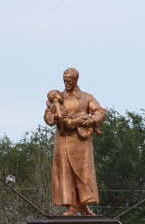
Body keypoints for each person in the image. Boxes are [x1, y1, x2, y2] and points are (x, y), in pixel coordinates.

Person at [43, 68, 106, 216]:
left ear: (76, 80)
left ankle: (84, 206)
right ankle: (71, 206)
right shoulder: (57, 98)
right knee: (65, 172)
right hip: (63, 140)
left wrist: (90, 120)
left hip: (81, 142)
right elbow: (47, 117)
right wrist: (57, 116)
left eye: (69, 81)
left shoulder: (86, 97)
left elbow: (100, 112)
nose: (66, 83)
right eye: (64, 80)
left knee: (84, 172)